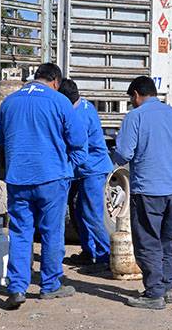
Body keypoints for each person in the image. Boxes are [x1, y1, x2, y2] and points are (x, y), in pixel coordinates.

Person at [0, 63, 87, 310]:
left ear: (35, 78)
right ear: (56, 81)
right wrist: (68, 169)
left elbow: (0, 141)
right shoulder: (60, 102)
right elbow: (79, 143)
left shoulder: (9, 102)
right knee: (51, 233)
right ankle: (50, 285)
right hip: (51, 179)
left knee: (20, 234)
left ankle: (16, 288)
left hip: (18, 179)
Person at [113, 76, 172, 310]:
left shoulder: (135, 117)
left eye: (131, 99)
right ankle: (166, 287)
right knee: (167, 241)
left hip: (149, 190)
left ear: (136, 95)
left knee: (147, 242)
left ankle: (154, 293)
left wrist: (108, 157)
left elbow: (124, 153)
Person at [58, 79, 114, 269]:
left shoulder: (78, 116)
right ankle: (89, 252)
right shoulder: (84, 104)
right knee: (77, 211)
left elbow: (75, 147)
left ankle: (106, 255)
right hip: (84, 170)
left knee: (91, 214)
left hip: (93, 169)